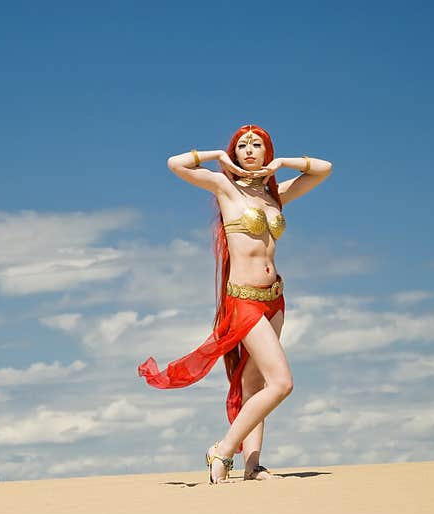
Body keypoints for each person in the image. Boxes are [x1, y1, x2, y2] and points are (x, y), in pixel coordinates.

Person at [138, 124, 332, 484]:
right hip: (243, 300)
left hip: (274, 299)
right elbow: (175, 164)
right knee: (282, 382)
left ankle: (253, 465)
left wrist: (282, 164)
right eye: (242, 145)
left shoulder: (276, 195)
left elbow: (324, 169)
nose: (249, 150)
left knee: (255, 385)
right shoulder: (225, 188)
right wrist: (217, 157)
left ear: (266, 152)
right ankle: (223, 450)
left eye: (257, 144)